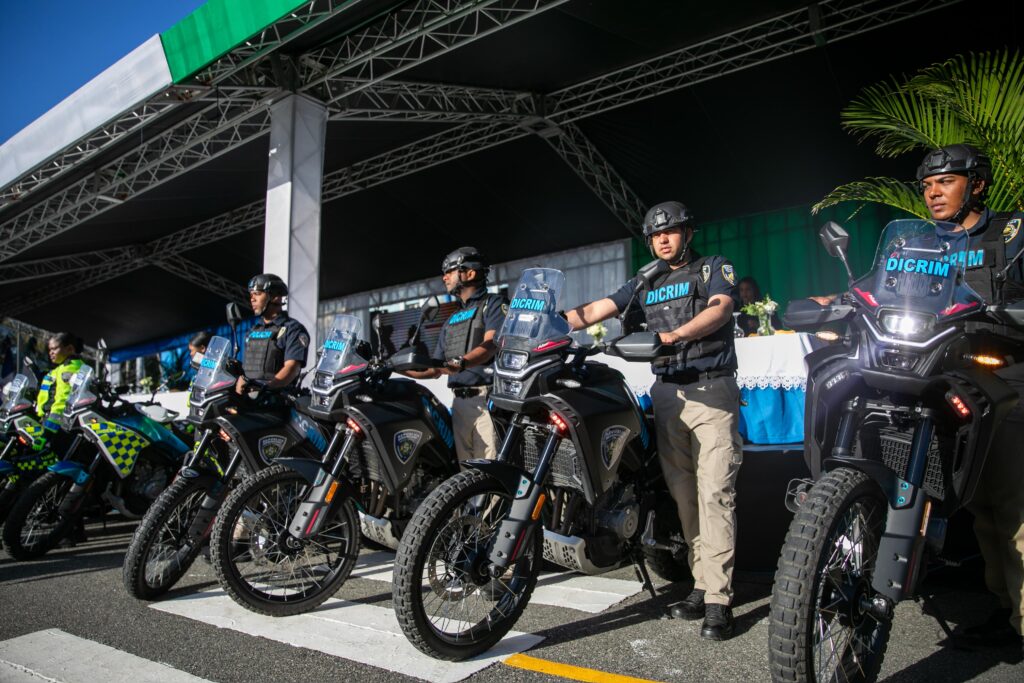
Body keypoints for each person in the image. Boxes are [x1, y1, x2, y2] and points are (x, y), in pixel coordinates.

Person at [564, 200, 743, 641]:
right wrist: (547, 325)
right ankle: (702, 583)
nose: (663, 239)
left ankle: (719, 600)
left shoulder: (713, 268)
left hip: (710, 391)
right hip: (667, 396)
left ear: (689, 233)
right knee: (684, 497)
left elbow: (720, 308)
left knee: (715, 493)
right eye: (655, 234)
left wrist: (674, 336)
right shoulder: (646, 280)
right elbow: (594, 310)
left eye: (672, 231)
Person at [913, 144, 1024, 650]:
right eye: (928, 185)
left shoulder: (1012, 233)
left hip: (1006, 379)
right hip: (949, 383)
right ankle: (1007, 609)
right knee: (982, 506)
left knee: (1014, 505)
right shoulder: (919, 245)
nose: (934, 192)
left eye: (946, 182)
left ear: (976, 185)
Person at [404, 247, 506, 461]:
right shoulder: (452, 319)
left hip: (486, 401)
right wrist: (403, 370)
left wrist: (461, 363)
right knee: (465, 477)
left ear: (470, 273)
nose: (445, 277)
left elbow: (492, 344)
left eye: (450, 271)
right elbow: (435, 369)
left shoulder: (494, 304)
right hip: (459, 405)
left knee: (488, 473)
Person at [240, 274, 310, 391]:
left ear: (275, 297)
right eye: (251, 295)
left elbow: (292, 368)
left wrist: (266, 388)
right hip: (249, 401)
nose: (252, 299)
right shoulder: (252, 331)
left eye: (257, 294)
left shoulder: (293, 329)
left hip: (277, 401)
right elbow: (245, 370)